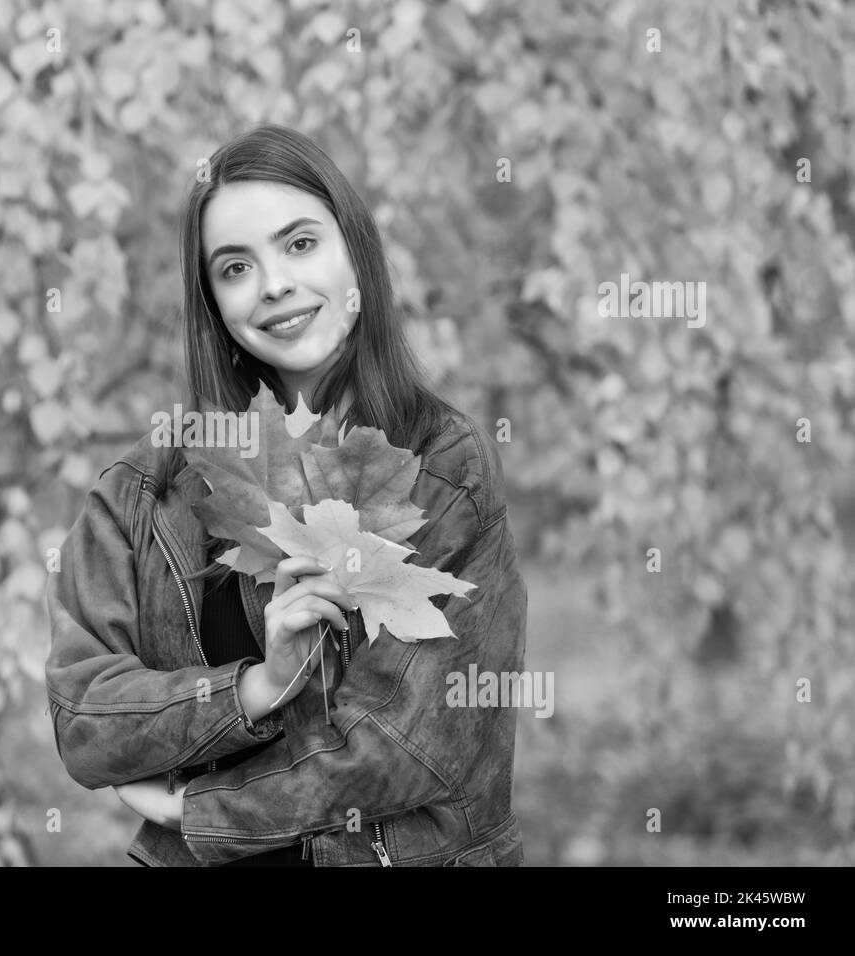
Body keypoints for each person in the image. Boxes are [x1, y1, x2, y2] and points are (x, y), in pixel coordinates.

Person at [45, 124, 527, 866]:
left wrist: (196, 810)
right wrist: (255, 689)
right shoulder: (149, 490)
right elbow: (84, 712)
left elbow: (409, 745)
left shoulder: (442, 467)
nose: (273, 284)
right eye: (235, 267)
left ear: (356, 256)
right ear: (213, 303)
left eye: (300, 244)